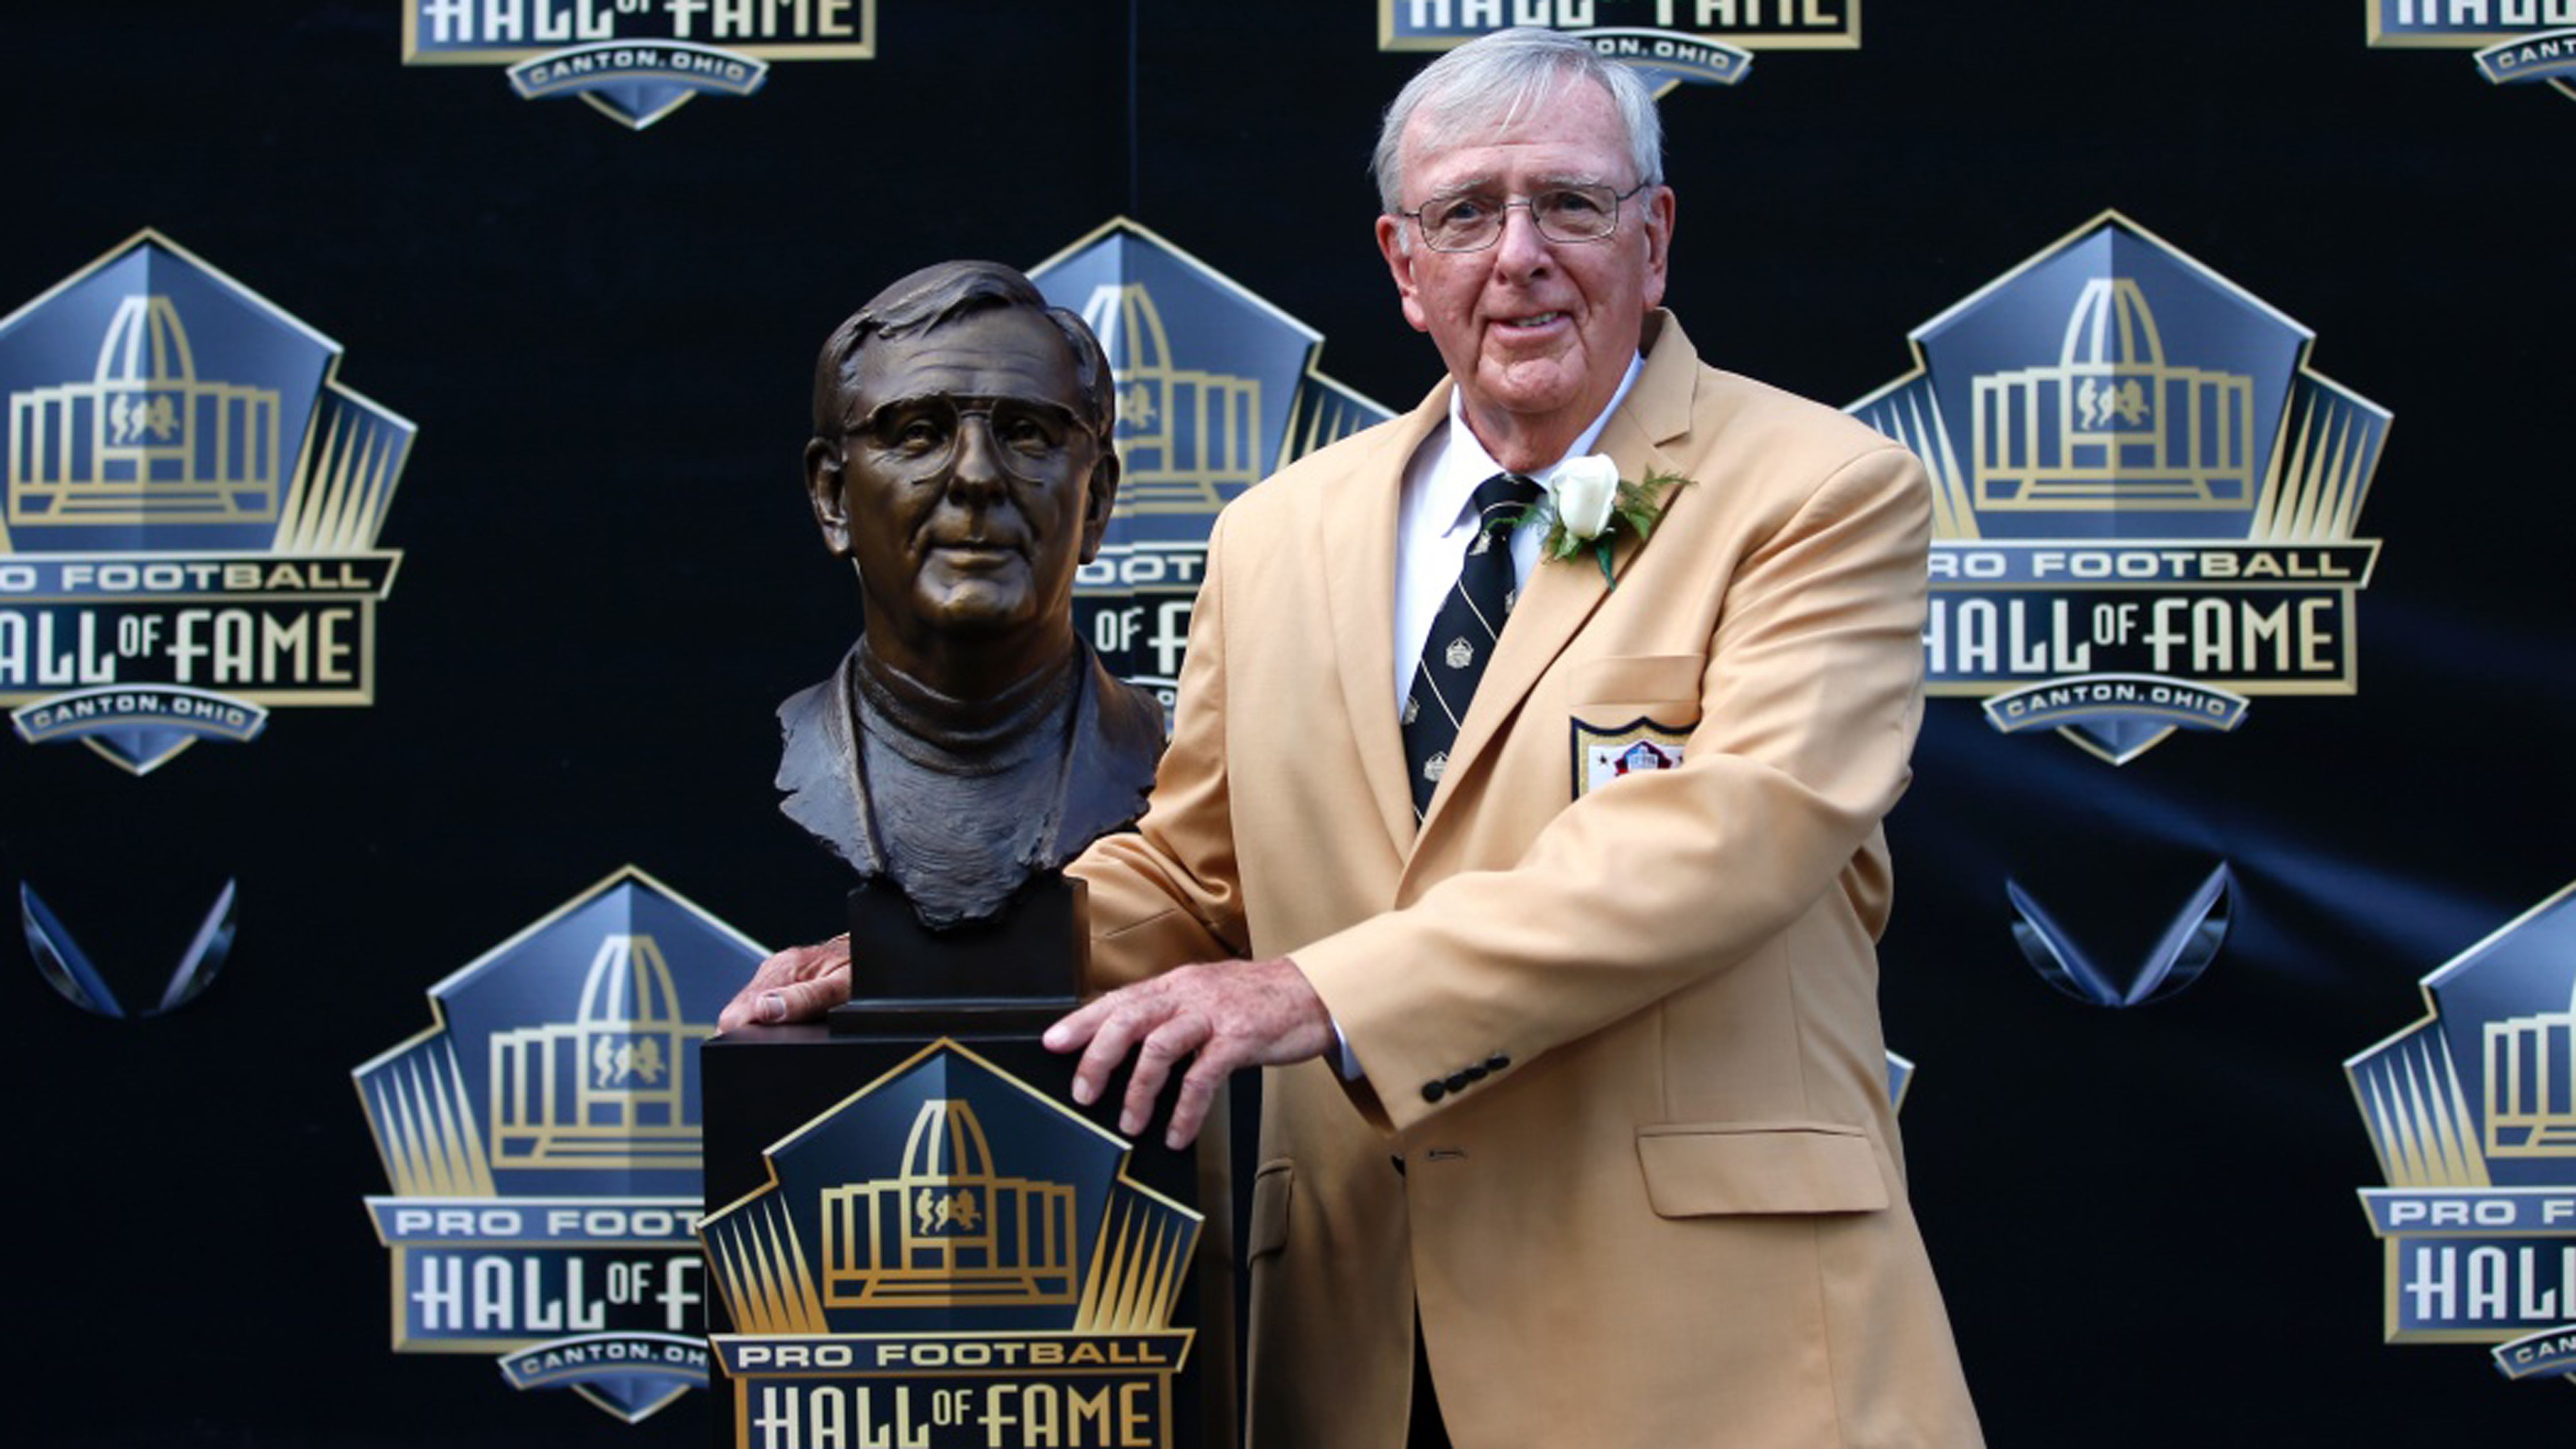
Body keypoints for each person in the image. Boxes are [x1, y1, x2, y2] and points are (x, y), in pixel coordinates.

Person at [725, 29, 1982, 1446]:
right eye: (1466, 214)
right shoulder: (1279, 535)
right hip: (1356, 1357)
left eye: (1569, 203)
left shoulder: (1823, 493)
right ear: (1402, 263)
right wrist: (930, 965)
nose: (1518, 256)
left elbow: (1728, 839)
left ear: (1656, 238)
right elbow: (1199, 880)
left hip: (1715, 1360)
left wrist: (1321, 992)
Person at [763, 260, 1165, 936]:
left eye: (1026, 433)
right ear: (833, 498)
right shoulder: (787, 759)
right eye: (919, 432)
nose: (976, 475)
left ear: (1096, 499)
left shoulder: (1173, 766)